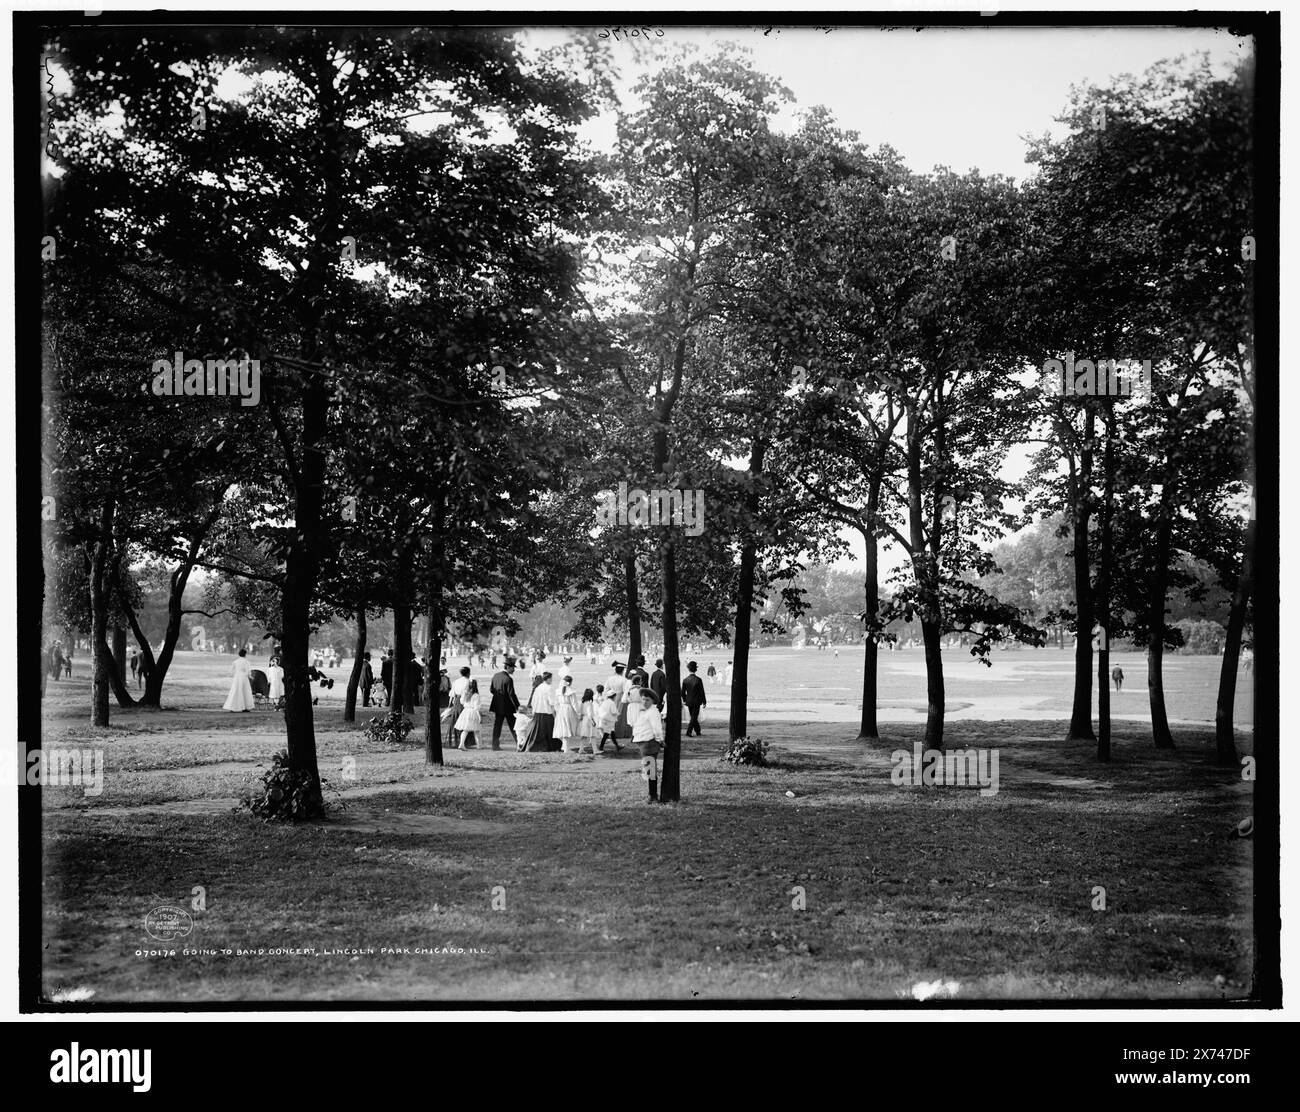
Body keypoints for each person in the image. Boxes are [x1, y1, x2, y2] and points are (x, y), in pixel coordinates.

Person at [632, 688, 664, 802]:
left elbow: (657, 729)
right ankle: (652, 794)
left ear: (652, 701)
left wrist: (660, 740)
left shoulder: (653, 712)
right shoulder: (645, 711)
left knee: (650, 771)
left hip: (649, 743)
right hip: (644, 743)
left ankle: (653, 796)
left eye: (647, 700)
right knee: (648, 770)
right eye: (643, 699)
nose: (644, 702)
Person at [489, 658, 520, 751]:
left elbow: (491, 690)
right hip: (508, 706)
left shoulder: (495, 675)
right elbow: (511, 694)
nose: (514, 670)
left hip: (497, 705)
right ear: (508, 667)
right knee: (514, 725)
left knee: (497, 726)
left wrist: (498, 697)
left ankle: (495, 745)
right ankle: (519, 743)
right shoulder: (508, 679)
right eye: (513, 668)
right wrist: (517, 705)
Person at [527, 671, 556, 752]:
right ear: (548, 679)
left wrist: (534, 711)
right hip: (546, 713)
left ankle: (535, 746)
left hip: (537, 713)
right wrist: (555, 714)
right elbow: (552, 703)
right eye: (551, 678)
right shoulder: (549, 688)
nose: (552, 680)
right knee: (548, 732)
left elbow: (533, 701)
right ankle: (548, 747)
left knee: (537, 733)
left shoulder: (538, 688)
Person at [454, 679, 483, 750]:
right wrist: (479, 716)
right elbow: (477, 707)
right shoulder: (476, 695)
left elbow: (462, 702)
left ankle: (461, 744)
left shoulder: (465, 693)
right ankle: (479, 745)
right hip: (473, 712)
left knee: (465, 730)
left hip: (466, 711)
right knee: (477, 730)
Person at [554, 675, 579, 753]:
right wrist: (579, 713)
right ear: (570, 682)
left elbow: (556, 703)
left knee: (563, 728)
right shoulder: (571, 692)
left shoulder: (558, 691)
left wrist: (557, 711)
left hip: (561, 709)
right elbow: (574, 704)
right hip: (568, 710)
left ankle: (564, 746)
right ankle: (566, 748)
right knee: (568, 728)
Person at [682, 660, 707, 737]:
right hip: (696, 701)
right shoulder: (698, 680)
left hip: (689, 701)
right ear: (695, 669)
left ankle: (698, 731)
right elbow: (701, 692)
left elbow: (682, 692)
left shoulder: (685, 680)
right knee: (694, 717)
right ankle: (688, 732)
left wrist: (685, 700)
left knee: (693, 717)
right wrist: (704, 701)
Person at [448, 666, 471, 747]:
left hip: (457, 701)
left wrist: (449, 705)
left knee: (456, 720)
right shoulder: (469, 681)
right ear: (468, 673)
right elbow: (469, 693)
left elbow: (452, 694)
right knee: (465, 720)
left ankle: (455, 741)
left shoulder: (456, 681)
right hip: (465, 701)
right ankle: (466, 742)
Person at [577, 688, 598, 754]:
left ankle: (581, 749)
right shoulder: (589, 703)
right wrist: (593, 721)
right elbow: (589, 714)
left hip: (584, 720)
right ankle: (595, 750)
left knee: (584, 736)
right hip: (588, 720)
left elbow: (579, 712)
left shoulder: (582, 702)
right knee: (592, 735)